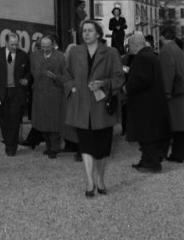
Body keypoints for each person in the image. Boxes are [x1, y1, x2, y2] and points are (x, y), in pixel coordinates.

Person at [64, 20, 124, 197]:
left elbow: (119, 78)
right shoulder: (75, 52)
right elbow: (66, 74)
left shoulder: (111, 52)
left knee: (103, 148)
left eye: (90, 31)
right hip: (81, 106)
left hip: (102, 107)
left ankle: (100, 178)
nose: (86, 34)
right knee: (86, 146)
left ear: (98, 34)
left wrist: (103, 84)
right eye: (84, 31)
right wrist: (71, 87)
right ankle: (90, 181)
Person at [125, 32, 170, 173]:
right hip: (153, 102)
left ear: (135, 44)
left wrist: (127, 87)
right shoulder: (151, 55)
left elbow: (141, 80)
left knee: (146, 135)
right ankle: (146, 161)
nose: (129, 48)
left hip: (145, 104)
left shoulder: (142, 58)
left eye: (130, 45)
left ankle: (152, 164)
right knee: (149, 135)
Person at [0, 32, 30, 156]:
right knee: (3, 119)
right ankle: (8, 142)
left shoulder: (23, 55)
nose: (15, 46)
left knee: (15, 118)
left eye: (16, 44)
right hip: (1, 92)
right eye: (12, 44)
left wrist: (26, 80)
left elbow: (29, 73)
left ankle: (11, 147)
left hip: (17, 92)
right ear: (6, 42)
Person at [30, 34, 67, 158]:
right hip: (40, 94)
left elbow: (67, 77)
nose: (45, 48)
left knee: (54, 123)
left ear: (53, 44)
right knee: (42, 123)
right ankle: (48, 145)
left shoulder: (61, 57)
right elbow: (32, 72)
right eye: (42, 46)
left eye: (47, 46)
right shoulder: (35, 56)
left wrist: (55, 77)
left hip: (55, 95)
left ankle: (55, 148)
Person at [158, 28, 184, 163]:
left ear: (162, 37)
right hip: (180, 91)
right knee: (180, 126)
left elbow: (167, 73)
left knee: (168, 125)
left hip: (173, 94)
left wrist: (166, 92)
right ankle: (178, 153)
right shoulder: (178, 50)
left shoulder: (166, 51)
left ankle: (162, 154)